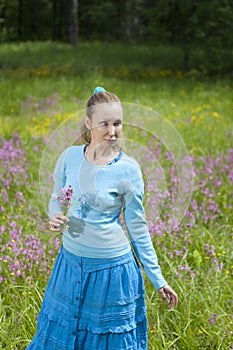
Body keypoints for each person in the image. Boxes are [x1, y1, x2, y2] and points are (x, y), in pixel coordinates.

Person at [27, 86, 178, 350]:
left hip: (111, 272)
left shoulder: (128, 170)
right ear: (88, 123)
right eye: (104, 123)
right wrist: (55, 216)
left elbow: (138, 228)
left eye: (117, 123)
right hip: (70, 264)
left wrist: (158, 278)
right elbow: (57, 198)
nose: (112, 131)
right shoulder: (69, 157)